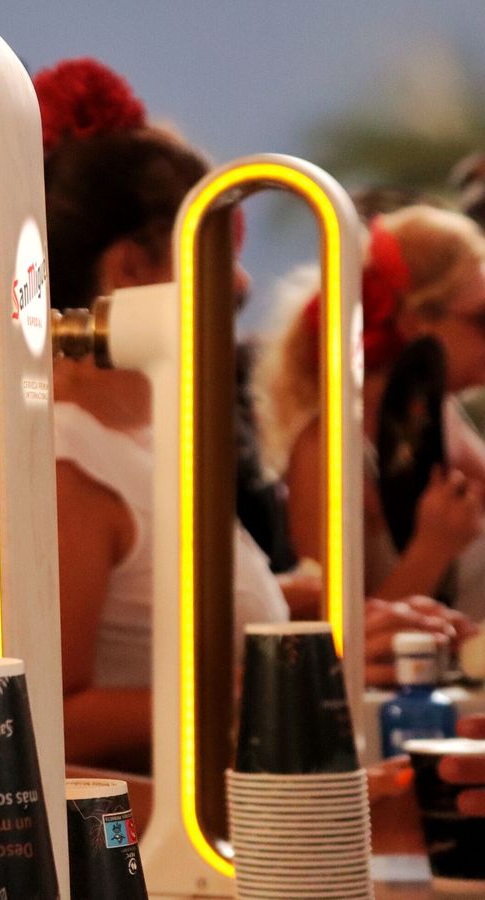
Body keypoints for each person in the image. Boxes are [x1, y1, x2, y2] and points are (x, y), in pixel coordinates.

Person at [36, 58, 291, 772]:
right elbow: (40, 723)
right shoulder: (66, 463)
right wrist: (277, 686)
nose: (240, 281)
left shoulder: (146, 436)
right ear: (131, 269)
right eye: (215, 250)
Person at [255, 205, 485, 607]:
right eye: (484, 319)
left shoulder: (441, 413)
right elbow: (339, 643)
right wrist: (432, 551)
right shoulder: (328, 448)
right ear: (416, 321)